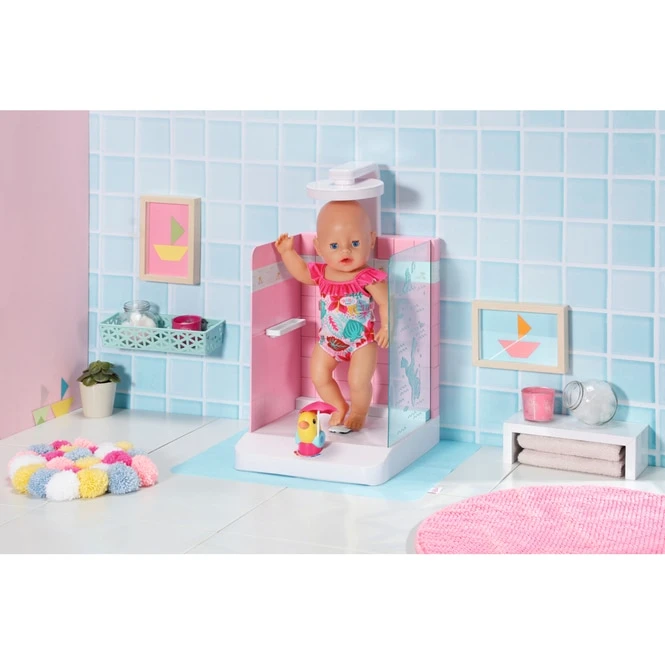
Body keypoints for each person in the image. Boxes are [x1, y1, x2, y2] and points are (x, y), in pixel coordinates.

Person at [275, 200, 388, 431]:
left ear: (371, 240)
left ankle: (359, 411)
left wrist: (386, 327)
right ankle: (338, 406)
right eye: (334, 245)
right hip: (328, 341)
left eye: (355, 243)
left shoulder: (368, 277)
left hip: (361, 342)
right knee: (319, 375)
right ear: (318, 247)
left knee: (358, 381)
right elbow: (302, 272)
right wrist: (287, 252)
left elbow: (387, 302)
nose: (345, 251)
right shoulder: (322, 273)